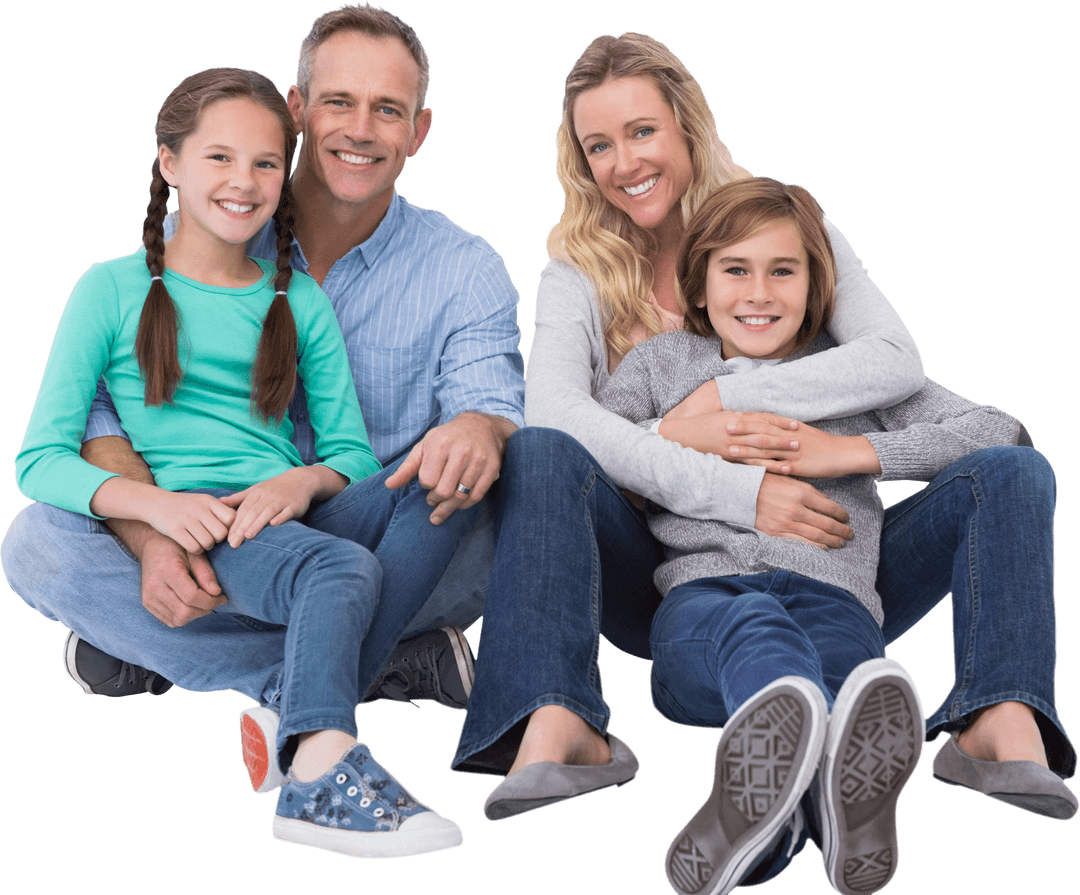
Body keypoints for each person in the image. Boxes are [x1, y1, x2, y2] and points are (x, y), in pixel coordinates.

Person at [456, 30, 1075, 826]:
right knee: (542, 452)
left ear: (689, 124)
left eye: (643, 130)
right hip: (679, 570)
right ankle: (558, 715)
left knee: (1014, 473)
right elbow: (560, 426)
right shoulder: (590, 285)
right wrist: (722, 471)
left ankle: (996, 717)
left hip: (837, 575)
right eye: (598, 144)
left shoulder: (790, 228)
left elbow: (950, 399)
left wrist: (837, 445)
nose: (624, 162)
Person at [4, 4, 522, 726]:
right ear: (299, 109)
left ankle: (162, 650)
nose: (361, 129)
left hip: (363, 532)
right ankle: (351, 668)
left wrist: (474, 430)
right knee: (36, 541)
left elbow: (481, 408)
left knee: (496, 503)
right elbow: (97, 415)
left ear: (419, 130)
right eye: (340, 101)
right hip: (197, 521)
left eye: (388, 110)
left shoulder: (462, 269)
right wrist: (154, 535)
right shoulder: (181, 245)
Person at [10, 66, 468, 858]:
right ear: (170, 165)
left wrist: (302, 479)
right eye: (219, 158)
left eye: (265, 163)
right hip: (206, 518)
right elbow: (39, 459)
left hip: (284, 510)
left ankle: (292, 695)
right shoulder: (109, 290)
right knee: (342, 575)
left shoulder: (294, 299)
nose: (244, 181)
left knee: (444, 483)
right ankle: (318, 769)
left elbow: (352, 454)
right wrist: (158, 512)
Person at [597, 176, 1058, 895]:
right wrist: (681, 435)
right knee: (757, 630)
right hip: (700, 607)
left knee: (852, 668)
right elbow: (591, 456)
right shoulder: (662, 365)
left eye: (784, 271)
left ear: (818, 287)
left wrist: (851, 453)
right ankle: (799, 764)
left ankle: (787, 820)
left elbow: (1001, 431)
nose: (759, 293)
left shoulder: (852, 373)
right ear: (699, 282)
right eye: (735, 270)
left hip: (833, 596)